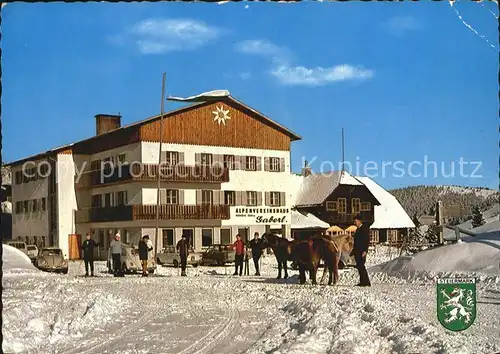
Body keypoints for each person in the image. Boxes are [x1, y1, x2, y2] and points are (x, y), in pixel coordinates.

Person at [352, 214, 371, 287]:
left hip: (362, 251)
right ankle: (362, 281)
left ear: (359, 221)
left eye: (355, 221)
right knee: (359, 266)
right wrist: (353, 251)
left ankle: (366, 282)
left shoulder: (364, 229)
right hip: (357, 251)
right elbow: (356, 242)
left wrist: (365, 251)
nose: (354, 223)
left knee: (361, 266)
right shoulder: (358, 229)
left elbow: (366, 241)